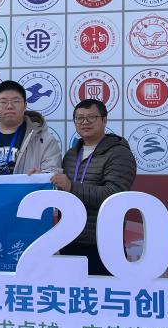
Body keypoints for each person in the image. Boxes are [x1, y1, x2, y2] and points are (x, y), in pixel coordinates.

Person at [50, 99, 138, 276]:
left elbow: (114, 195)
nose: (85, 122)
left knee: (104, 291)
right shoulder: (71, 154)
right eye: (79, 118)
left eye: (91, 117)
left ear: (104, 120)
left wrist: (71, 186)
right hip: (69, 238)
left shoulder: (119, 153)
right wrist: (41, 176)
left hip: (103, 242)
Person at [0, 80, 62, 175]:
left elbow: (53, 173)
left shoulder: (45, 140)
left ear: (25, 105)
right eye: (3, 102)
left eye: (16, 101)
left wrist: (41, 176)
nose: (9, 106)